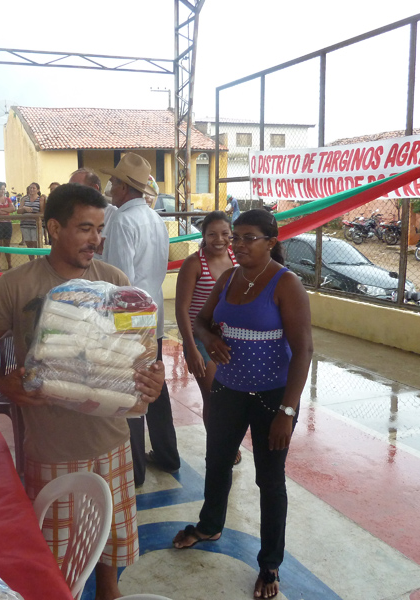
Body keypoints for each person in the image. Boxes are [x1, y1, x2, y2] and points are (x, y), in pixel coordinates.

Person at [0, 183, 165, 600]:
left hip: (111, 440)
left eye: (99, 229)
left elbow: (139, 356)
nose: (96, 239)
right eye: (85, 228)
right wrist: (7, 385)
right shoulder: (17, 285)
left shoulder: (115, 282)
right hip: (51, 448)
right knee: (56, 567)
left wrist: (153, 378)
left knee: (110, 551)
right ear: (54, 228)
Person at [172, 209, 313, 600]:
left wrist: (287, 410)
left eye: (249, 237)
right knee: (217, 461)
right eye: (236, 237)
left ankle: (270, 564)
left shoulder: (286, 285)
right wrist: (209, 339)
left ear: (271, 241)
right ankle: (210, 524)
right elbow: (200, 320)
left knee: (269, 480)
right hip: (228, 391)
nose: (239, 244)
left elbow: (304, 351)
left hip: (273, 398)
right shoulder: (229, 278)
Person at [101, 152, 180, 486]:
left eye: (113, 182)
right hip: (155, 312)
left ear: (121, 187)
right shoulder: (155, 218)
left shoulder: (121, 220)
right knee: (154, 386)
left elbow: (121, 282)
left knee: (130, 390)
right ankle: (166, 453)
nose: (110, 188)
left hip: (130, 318)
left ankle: (133, 469)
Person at [174, 211, 241, 462]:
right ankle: (218, 448)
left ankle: (227, 443)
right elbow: (181, 309)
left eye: (225, 233)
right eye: (212, 234)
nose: (219, 239)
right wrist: (191, 349)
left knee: (231, 397)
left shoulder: (236, 258)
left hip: (229, 339)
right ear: (203, 236)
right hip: (200, 340)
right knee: (214, 396)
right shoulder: (194, 263)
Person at [69, 167, 115, 260]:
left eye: (76, 188)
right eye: (69, 189)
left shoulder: (114, 216)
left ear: (94, 189)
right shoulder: (69, 215)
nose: (70, 194)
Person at [17, 182, 44, 261]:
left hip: (36, 225)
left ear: (38, 190)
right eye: (30, 188)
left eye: (33, 188)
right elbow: (18, 211)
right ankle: (32, 262)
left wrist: (33, 213)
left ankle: (38, 261)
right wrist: (25, 208)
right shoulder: (24, 199)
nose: (31, 189)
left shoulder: (40, 199)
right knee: (29, 245)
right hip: (25, 225)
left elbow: (42, 212)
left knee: (36, 244)